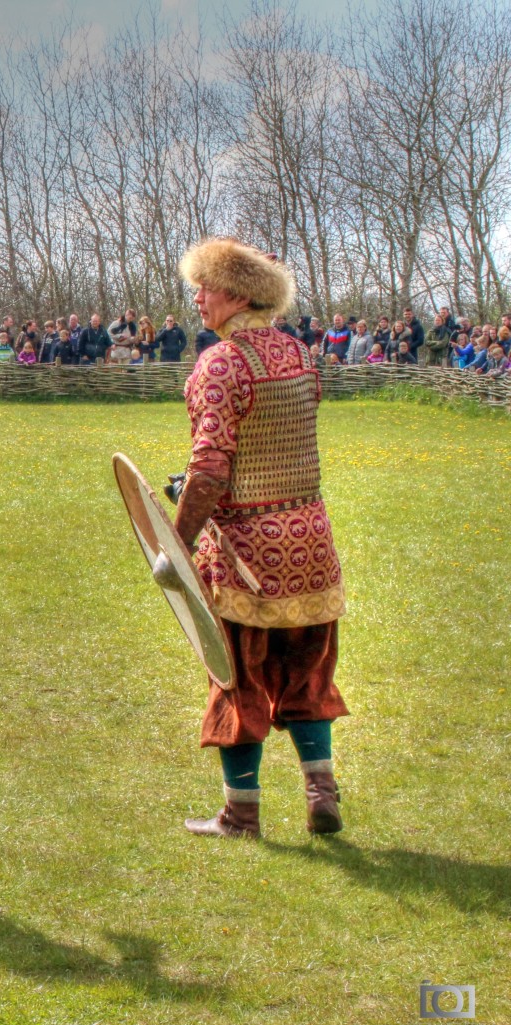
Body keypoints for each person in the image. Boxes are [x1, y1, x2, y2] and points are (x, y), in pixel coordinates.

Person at [174, 236, 348, 841]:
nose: (198, 299)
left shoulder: (222, 363)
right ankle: (320, 790)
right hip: (311, 543)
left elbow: (211, 469)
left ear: (240, 295)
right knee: (308, 673)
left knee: (236, 678)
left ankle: (240, 815)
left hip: (246, 551)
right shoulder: (299, 354)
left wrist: (176, 542)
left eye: (207, 288)